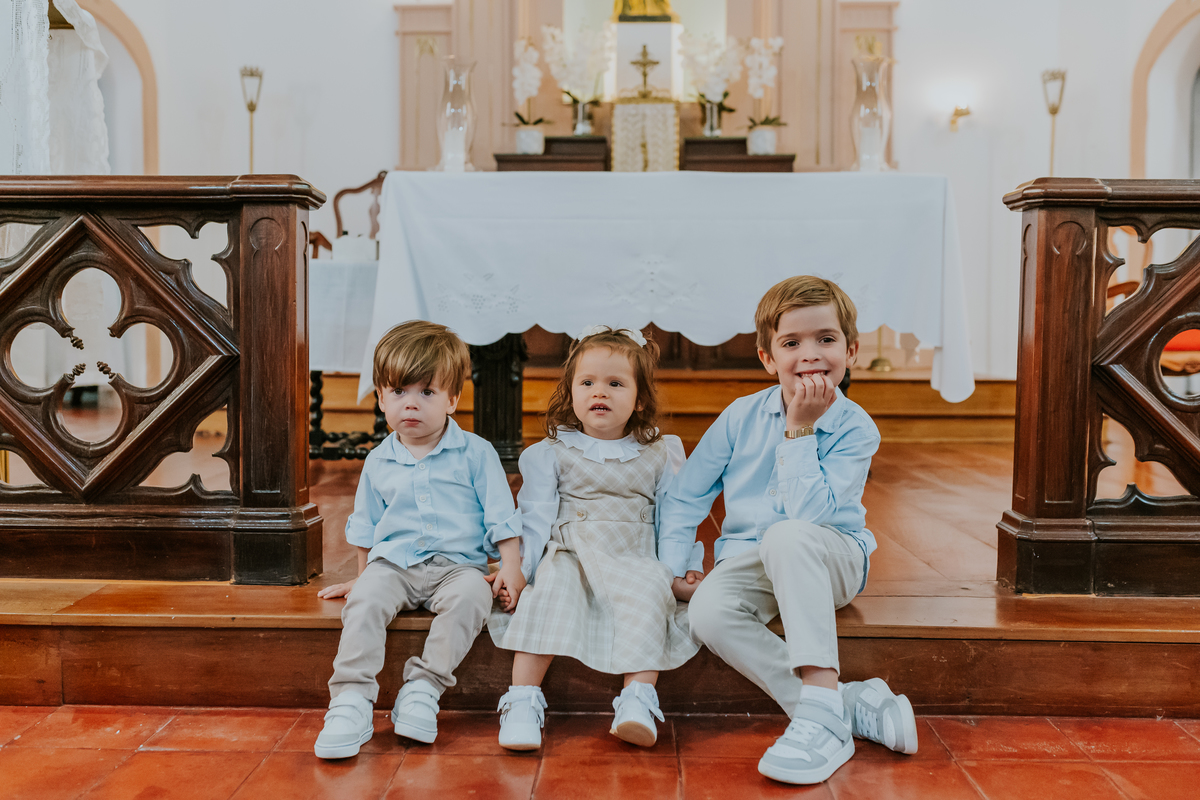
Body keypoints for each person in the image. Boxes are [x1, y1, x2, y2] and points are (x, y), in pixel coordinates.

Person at [658, 276, 919, 785]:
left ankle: (821, 712)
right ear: (767, 358)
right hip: (752, 561)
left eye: (826, 339)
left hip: (830, 558)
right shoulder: (740, 416)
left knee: (787, 534)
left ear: (852, 352)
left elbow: (810, 516)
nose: (810, 354)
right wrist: (674, 566)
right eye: (792, 342)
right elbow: (686, 495)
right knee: (707, 613)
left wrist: (799, 430)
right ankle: (839, 705)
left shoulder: (855, 427)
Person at [313, 321, 524, 759]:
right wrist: (364, 577)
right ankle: (351, 700)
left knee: (472, 599)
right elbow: (366, 525)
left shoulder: (476, 453)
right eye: (398, 391)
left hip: (459, 567)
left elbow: (501, 515)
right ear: (380, 398)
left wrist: (510, 566)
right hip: (394, 565)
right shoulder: (378, 461)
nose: (411, 403)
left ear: (453, 399)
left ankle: (423, 689)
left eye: (427, 392)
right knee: (366, 601)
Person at [488, 326, 703, 751]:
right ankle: (523, 701)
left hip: (635, 554)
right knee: (550, 595)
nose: (599, 392)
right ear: (571, 393)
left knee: (649, 597)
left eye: (615, 383)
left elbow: (676, 517)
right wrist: (521, 571)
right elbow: (534, 517)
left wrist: (677, 571)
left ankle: (637, 699)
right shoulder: (552, 452)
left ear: (639, 399)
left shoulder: (660, 452)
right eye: (587, 382)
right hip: (571, 552)